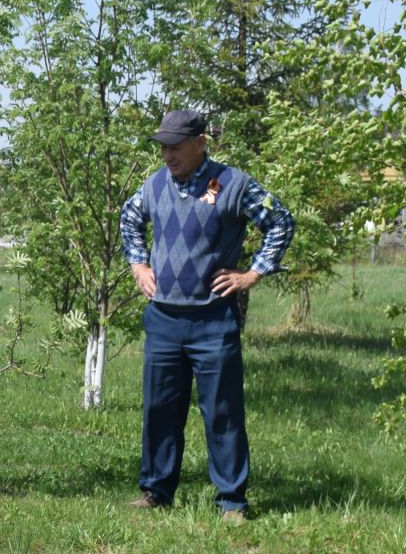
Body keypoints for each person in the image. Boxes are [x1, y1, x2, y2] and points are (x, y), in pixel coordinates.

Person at [119, 109, 295, 519]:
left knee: (222, 412)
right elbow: (130, 217)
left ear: (200, 143)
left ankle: (231, 501)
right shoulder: (155, 184)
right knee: (159, 409)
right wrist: (138, 264)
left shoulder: (234, 184)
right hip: (163, 319)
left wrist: (253, 273)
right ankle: (155, 492)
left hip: (213, 320)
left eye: (176, 147)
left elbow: (281, 221)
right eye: (163, 147)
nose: (167, 155)